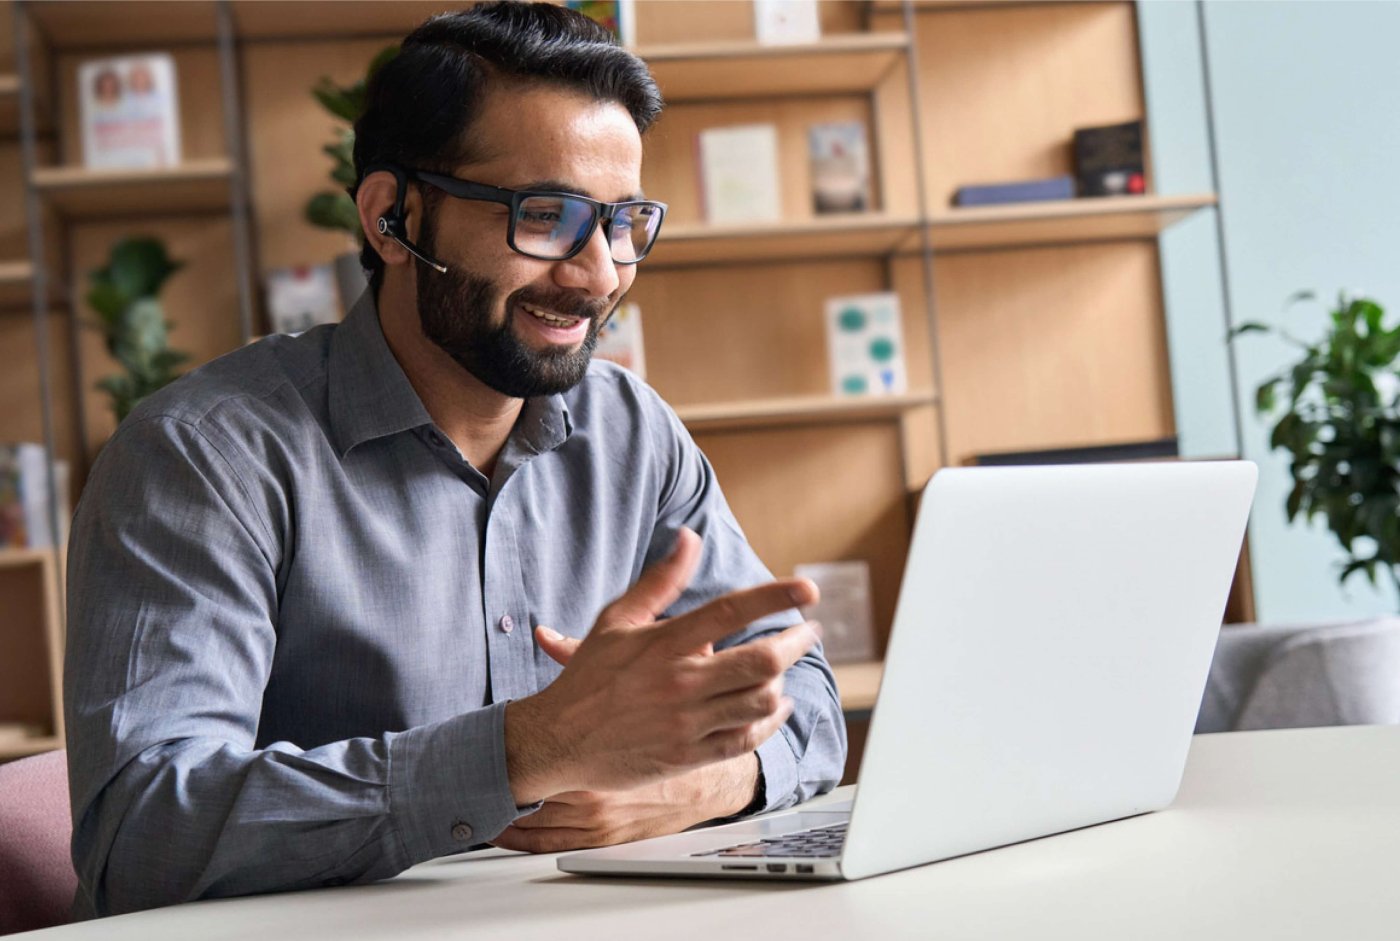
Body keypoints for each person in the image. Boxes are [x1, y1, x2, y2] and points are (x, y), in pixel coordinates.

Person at [63, 1, 846, 920]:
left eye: (622, 220)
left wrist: (692, 787)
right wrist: (527, 750)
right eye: (543, 215)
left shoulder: (631, 433)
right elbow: (141, 833)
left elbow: (809, 701)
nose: (598, 274)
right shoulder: (202, 456)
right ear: (392, 218)